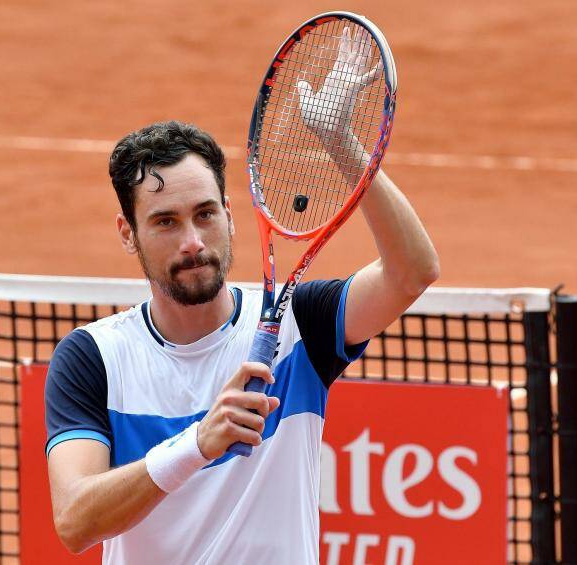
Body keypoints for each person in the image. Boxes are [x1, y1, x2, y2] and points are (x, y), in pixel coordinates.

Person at [45, 39, 439, 564]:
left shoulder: (300, 323)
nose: (193, 241)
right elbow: (75, 522)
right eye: (166, 221)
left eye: (205, 214)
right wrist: (198, 443)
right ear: (128, 232)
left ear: (230, 215)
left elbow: (412, 272)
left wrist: (341, 141)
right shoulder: (92, 357)